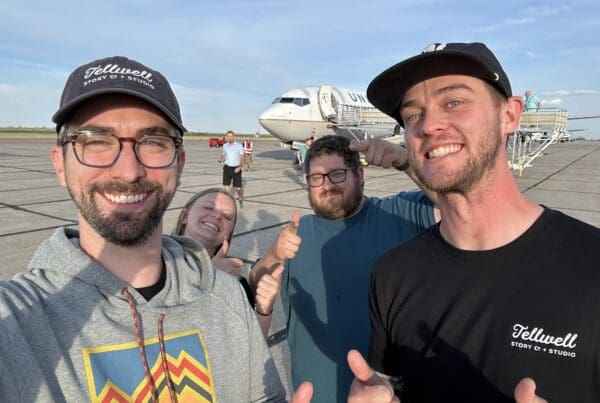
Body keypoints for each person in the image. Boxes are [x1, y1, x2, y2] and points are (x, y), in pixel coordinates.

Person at [0, 56, 284, 402]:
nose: (128, 170)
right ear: (60, 165)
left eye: (152, 142)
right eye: (96, 141)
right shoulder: (18, 322)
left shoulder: (228, 299)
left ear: (179, 164)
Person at [346, 42, 600, 402]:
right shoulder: (392, 274)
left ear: (509, 115)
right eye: (413, 115)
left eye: (454, 102)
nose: (429, 125)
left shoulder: (592, 265)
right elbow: (395, 384)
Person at [250, 135, 438, 402]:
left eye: (337, 174)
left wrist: (406, 161)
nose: (326, 185)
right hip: (313, 396)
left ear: (360, 175)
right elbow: (255, 284)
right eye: (316, 178)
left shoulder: (399, 214)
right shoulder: (297, 232)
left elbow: (461, 203)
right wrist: (273, 254)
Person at [172, 188, 281, 337]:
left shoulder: (235, 283)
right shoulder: (152, 261)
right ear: (185, 216)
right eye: (208, 207)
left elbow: (254, 346)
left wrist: (264, 309)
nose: (217, 215)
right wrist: (210, 276)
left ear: (228, 233)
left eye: (227, 216)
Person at [218, 130, 245, 205]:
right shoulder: (224, 145)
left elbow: (243, 156)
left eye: (231, 136)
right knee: (226, 185)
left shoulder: (239, 145)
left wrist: (240, 166)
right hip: (227, 168)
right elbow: (224, 155)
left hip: (236, 168)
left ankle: (241, 196)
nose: (229, 138)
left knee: (238, 188)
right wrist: (221, 159)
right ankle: (229, 199)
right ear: (226, 137)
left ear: (233, 137)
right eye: (228, 136)